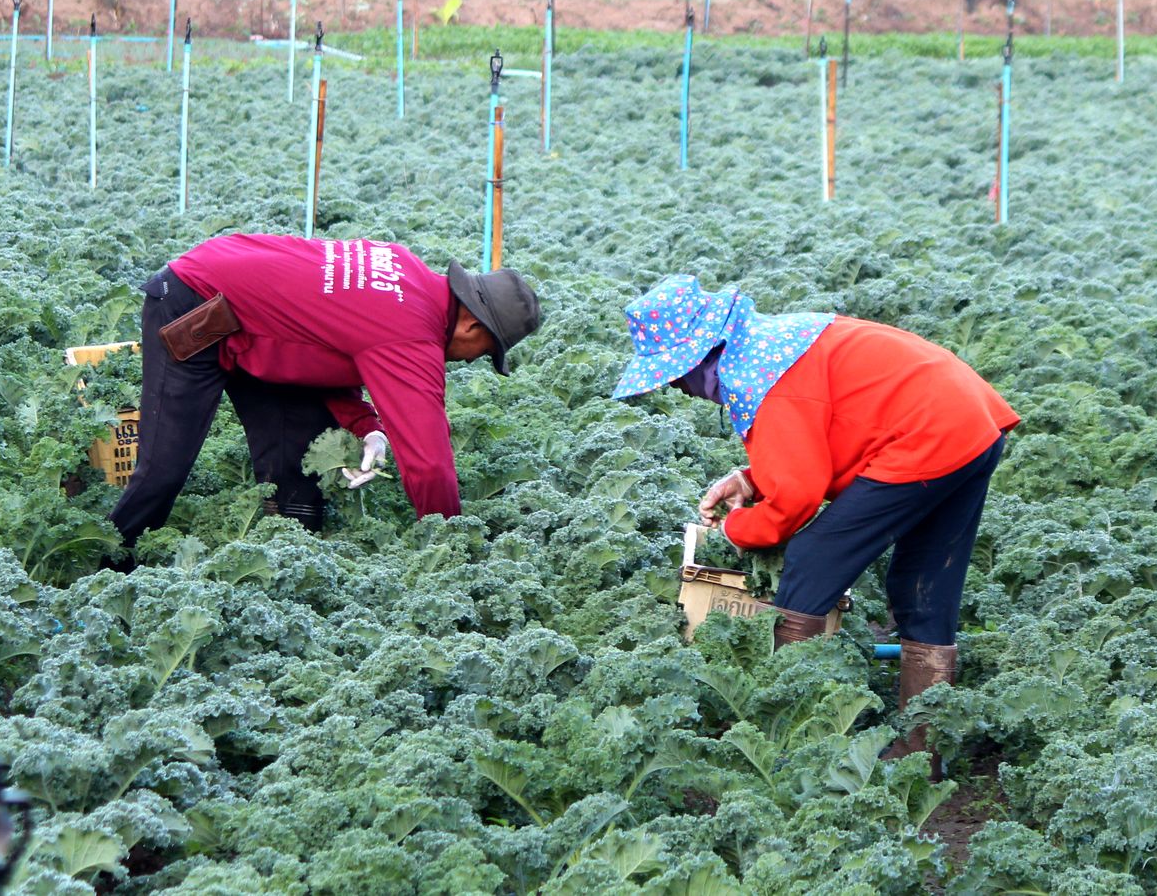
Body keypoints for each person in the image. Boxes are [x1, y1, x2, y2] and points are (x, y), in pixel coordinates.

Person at [612, 275, 1016, 756]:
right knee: (922, 586)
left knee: (809, 560)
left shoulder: (761, 377)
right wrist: (750, 478)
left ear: (704, 352)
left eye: (676, 373)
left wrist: (736, 529)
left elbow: (795, 502)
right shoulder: (769, 346)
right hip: (969, 427)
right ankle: (924, 751)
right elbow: (829, 430)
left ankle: (793, 734)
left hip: (926, 436)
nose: (677, 386)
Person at [109, 233, 542, 543]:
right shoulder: (412, 332)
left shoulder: (407, 273)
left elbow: (325, 347)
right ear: (470, 323)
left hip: (252, 319)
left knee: (295, 471)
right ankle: (107, 564)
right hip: (196, 302)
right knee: (162, 470)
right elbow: (429, 464)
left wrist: (367, 426)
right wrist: (449, 543)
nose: (471, 360)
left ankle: (289, 556)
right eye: (484, 350)